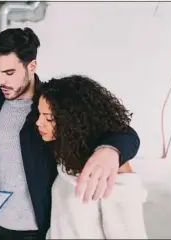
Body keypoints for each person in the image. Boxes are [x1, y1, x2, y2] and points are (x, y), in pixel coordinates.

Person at [0, 27, 141, 239]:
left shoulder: (51, 105)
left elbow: (124, 133)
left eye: (9, 73)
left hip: (35, 229)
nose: (1, 81)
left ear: (32, 66)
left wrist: (110, 150)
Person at [37, 75, 148, 239]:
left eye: (49, 118)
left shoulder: (108, 172)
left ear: (75, 120)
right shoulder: (67, 154)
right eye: (39, 114)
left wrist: (112, 150)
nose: (39, 122)